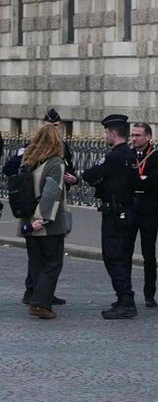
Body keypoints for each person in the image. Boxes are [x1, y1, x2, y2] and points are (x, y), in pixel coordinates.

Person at [80, 114, 139, 319]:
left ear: (113, 133)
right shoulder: (131, 155)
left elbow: (90, 174)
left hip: (114, 213)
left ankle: (126, 300)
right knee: (122, 257)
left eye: (106, 132)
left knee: (113, 257)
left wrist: (99, 181)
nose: (105, 135)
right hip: (128, 211)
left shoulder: (114, 156)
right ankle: (124, 297)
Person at [12, 108, 73, 307]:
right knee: (53, 263)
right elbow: (51, 191)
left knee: (37, 262)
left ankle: (37, 296)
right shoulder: (55, 162)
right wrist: (42, 219)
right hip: (46, 222)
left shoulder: (28, 158)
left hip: (27, 217)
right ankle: (40, 302)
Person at [129, 122, 158, 307]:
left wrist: (137, 180)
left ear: (148, 137)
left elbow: (153, 181)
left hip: (149, 210)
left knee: (149, 253)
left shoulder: (156, 156)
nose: (134, 138)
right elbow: (125, 180)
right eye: (133, 135)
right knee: (125, 251)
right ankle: (125, 292)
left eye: (138, 135)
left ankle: (149, 293)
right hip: (130, 208)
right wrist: (139, 180)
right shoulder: (127, 154)